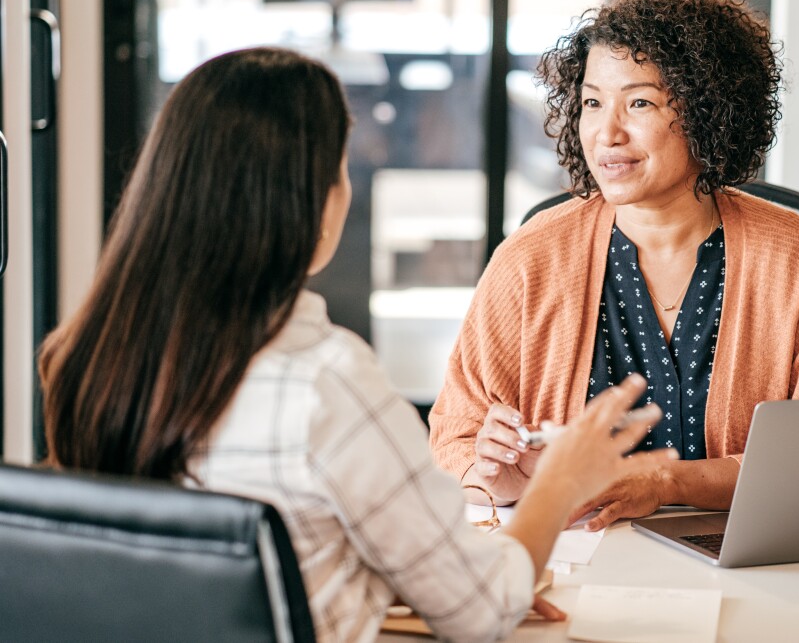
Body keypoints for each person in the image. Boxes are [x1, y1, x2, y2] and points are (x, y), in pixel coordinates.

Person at [38, 47, 676, 642]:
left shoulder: (88, 358)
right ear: (310, 204)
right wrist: (557, 485)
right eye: (343, 169)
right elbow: (483, 610)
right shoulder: (325, 382)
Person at [428, 0, 799, 530]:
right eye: (592, 103)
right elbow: (455, 438)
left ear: (706, 110)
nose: (607, 133)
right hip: (576, 557)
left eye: (639, 102)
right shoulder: (531, 257)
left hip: (744, 561)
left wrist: (669, 482)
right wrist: (501, 482)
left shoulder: (794, 257)